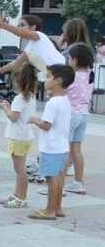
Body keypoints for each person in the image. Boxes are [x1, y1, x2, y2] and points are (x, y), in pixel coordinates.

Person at [27, 64, 74, 220]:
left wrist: (34, 120)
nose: (45, 80)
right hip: (61, 146)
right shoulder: (64, 100)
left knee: (50, 178)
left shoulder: (52, 103)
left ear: (58, 81)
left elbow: (46, 125)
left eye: (48, 77)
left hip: (51, 147)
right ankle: (57, 208)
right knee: (58, 177)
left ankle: (50, 210)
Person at [50, 43, 93, 196]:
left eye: (69, 58)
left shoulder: (72, 77)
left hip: (70, 116)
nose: (68, 61)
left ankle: (58, 186)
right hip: (83, 115)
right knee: (76, 150)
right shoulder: (89, 75)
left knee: (65, 152)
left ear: (75, 60)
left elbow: (59, 91)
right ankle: (78, 183)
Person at [0, 61, 38, 208]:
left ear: (19, 80)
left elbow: (13, 117)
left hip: (18, 137)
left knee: (19, 170)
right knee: (19, 168)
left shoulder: (19, 98)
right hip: (25, 135)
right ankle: (16, 194)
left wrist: (5, 106)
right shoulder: (31, 96)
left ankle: (22, 198)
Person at [0, 14, 65, 84]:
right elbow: (15, 64)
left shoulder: (39, 35)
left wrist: (2, 25)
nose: (18, 27)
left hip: (62, 71)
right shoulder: (29, 47)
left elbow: (21, 33)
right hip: (53, 75)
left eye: (22, 25)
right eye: (18, 25)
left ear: (32, 28)